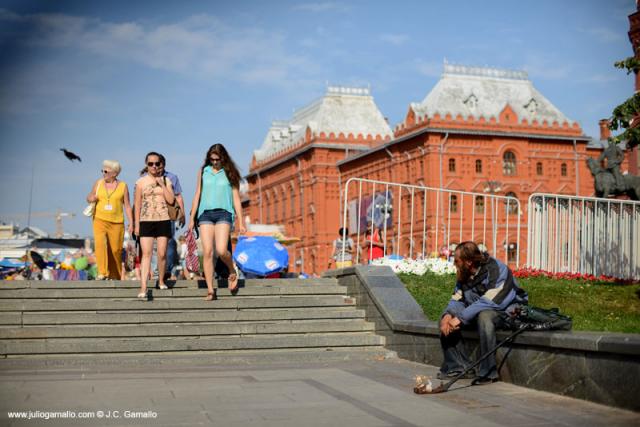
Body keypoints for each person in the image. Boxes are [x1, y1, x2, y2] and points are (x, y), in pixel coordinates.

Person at [438, 241, 528, 385]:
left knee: (485, 317)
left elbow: (491, 301)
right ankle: (459, 367)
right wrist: (448, 315)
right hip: (478, 309)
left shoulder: (497, 269)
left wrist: (460, 318)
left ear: (468, 262)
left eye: (456, 260)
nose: (453, 263)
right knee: (445, 318)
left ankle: (488, 372)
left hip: (506, 310)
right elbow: (457, 298)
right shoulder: (464, 274)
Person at [188, 144, 245, 301]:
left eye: (217, 159)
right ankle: (210, 290)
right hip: (205, 214)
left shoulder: (230, 173)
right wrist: (192, 217)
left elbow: (236, 198)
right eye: (211, 159)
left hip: (224, 213)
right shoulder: (203, 171)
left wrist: (241, 221)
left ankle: (232, 270)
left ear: (223, 158)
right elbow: (198, 194)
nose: (214, 162)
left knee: (221, 250)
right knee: (207, 252)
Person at [134, 152, 175, 299]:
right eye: (151, 164)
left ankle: (161, 280)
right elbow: (137, 204)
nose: (154, 166)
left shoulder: (167, 180)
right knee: (146, 254)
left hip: (163, 220)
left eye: (157, 163)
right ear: (147, 165)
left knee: (162, 253)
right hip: (146, 220)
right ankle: (144, 287)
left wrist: (162, 184)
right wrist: (136, 225)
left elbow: (171, 200)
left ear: (160, 165)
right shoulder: (140, 182)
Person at [86, 160, 134, 280]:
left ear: (114, 173)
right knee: (100, 244)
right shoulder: (98, 183)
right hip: (99, 219)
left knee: (115, 250)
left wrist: (132, 223)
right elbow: (89, 196)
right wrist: (91, 198)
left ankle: (115, 275)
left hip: (117, 222)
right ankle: (102, 273)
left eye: (106, 171)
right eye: (102, 170)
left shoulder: (123, 186)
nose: (103, 173)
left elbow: (127, 205)